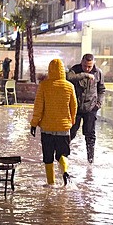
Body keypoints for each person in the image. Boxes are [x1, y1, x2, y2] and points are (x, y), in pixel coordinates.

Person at [30, 58, 77, 186]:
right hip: (63, 127)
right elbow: (74, 107)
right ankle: (65, 170)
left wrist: (34, 124)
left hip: (47, 128)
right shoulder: (69, 86)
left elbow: (38, 107)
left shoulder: (44, 86)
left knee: (48, 157)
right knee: (63, 154)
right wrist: (71, 121)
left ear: (49, 70)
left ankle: (51, 184)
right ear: (63, 71)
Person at [66, 53, 106, 163]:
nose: (87, 69)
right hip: (76, 108)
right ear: (81, 63)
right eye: (85, 66)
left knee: (90, 134)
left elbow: (101, 89)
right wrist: (85, 75)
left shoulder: (98, 73)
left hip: (91, 108)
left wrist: (98, 104)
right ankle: (63, 156)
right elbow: (68, 78)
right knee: (71, 132)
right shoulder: (75, 70)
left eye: (90, 66)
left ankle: (90, 160)